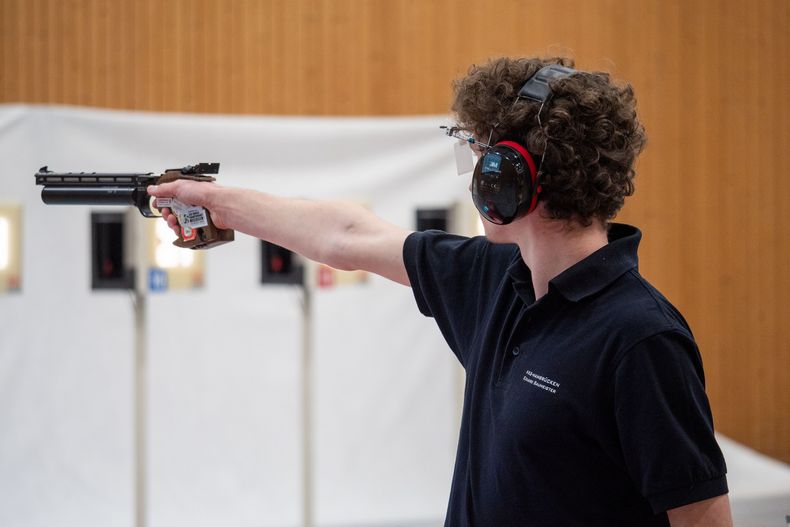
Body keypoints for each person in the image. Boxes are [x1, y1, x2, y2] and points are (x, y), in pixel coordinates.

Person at [148, 56, 732, 526]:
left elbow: (702, 517)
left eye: (479, 156)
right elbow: (345, 234)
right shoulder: (495, 280)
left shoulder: (639, 337)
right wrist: (216, 203)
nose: (473, 173)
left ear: (510, 177)